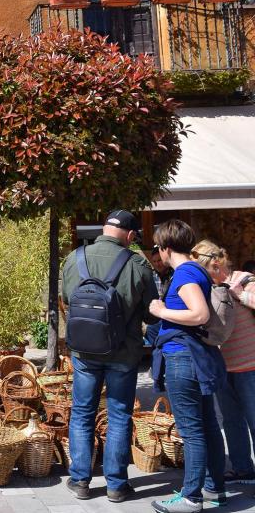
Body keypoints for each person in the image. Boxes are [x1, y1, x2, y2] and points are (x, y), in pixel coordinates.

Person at [60, 210, 158, 503]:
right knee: (118, 416)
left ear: (104, 229)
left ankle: (80, 481)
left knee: (81, 413)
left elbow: (67, 299)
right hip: (123, 353)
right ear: (129, 236)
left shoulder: (74, 258)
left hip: (84, 351)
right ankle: (116, 484)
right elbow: (151, 313)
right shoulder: (138, 264)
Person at [148, 222, 227, 513]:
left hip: (183, 357)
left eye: (157, 248)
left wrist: (160, 311)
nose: (157, 253)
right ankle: (214, 489)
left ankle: (191, 498)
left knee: (192, 431)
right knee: (207, 426)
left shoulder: (184, 273)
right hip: (195, 357)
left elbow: (200, 313)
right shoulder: (195, 270)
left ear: (166, 248)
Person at [212, 245, 255, 485]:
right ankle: (242, 468)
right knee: (230, 421)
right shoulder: (207, 286)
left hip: (251, 366)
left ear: (217, 263)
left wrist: (238, 293)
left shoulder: (243, 279)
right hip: (223, 367)